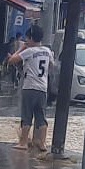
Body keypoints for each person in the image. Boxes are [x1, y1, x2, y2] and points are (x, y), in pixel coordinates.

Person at [7, 24, 54, 152]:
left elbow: (12, 60)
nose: (26, 41)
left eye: (27, 38)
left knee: (27, 115)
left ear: (32, 38)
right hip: (42, 88)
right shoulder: (47, 51)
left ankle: (23, 143)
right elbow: (51, 65)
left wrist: (21, 48)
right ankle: (42, 143)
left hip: (29, 87)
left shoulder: (29, 51)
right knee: (41, 115)